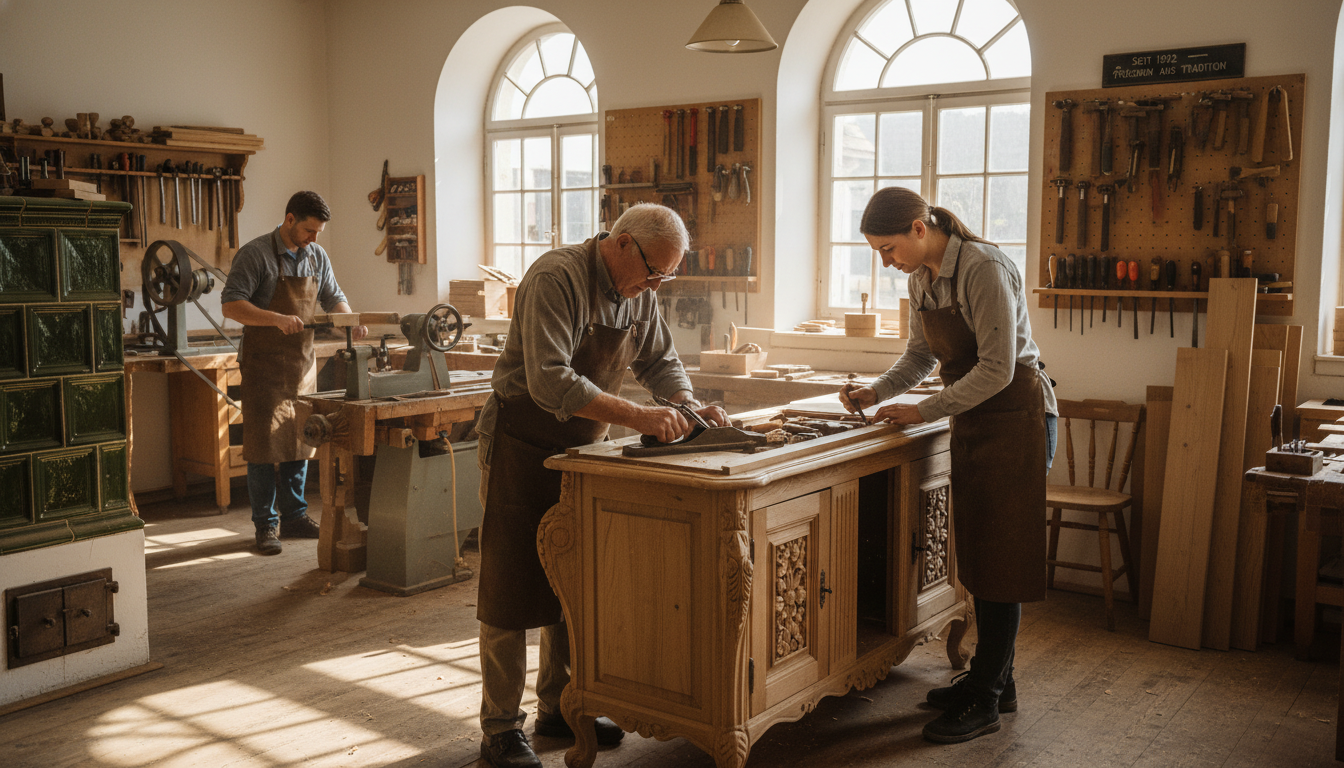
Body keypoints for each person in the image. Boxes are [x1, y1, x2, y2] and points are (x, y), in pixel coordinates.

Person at [473, 203, 727, 768]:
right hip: (521, 442)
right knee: (510, 588)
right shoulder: (556, 277)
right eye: (653, 272)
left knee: (574, 585)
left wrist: (686, 405)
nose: (654, 285)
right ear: (622, 242)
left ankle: (559, 708)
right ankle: (499, 728)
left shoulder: (640, 290)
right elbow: (549, 379)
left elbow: (661, 363)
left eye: (664, 276)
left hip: (581, 449)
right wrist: (640, 418)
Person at [838, 186, 1058, 745]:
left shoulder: (982, 267)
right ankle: (995, 682)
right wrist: (876, 392)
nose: (887, 263)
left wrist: (924, 409)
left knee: (1002, 560)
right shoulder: (921, 279)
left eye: (888, 250)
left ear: (918, 227)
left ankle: (984, 699)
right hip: (977, 418)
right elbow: (918, 356)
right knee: (982, 554)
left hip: (1015, 415)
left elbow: (999, 368)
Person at [221, 191, 366, 556]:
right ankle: (265, 525)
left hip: (301, 363)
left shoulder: (316, 256)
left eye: (318, 232)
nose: (313, 239)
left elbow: (334, 297)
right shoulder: (256, 254)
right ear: (289, 220)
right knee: (262, 446)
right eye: (308, 230)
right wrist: (276, 319)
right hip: (263, 365)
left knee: (301, 438)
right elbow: (231, 304)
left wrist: (350, 322)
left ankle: (296, 516)